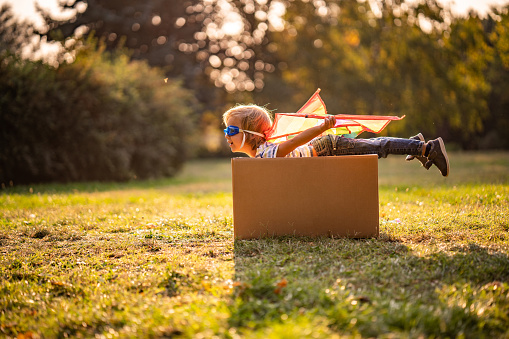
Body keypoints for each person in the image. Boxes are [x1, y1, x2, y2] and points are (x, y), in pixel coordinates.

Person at [223, 104, 449, 177]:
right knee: (375, 147)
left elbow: (292, 144)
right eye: (225, 130)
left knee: (377, 147)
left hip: (326, 149)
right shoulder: (259, 156)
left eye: (231, 130)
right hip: (321, 150)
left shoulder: (265, 155)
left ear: (251, 133)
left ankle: (428, 148)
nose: (226, 135)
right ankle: (415, 143)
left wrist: (321, 127)